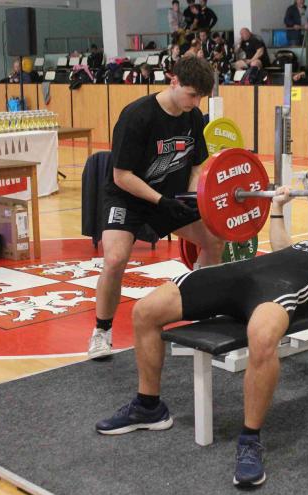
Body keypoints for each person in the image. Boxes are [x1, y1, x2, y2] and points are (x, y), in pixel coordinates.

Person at [95, 182, 308, 488]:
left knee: (262, 338)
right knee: (145, 311)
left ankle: (250, 440)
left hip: (278, 292)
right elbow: (283, 248)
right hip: (241, 274)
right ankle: (149, 407)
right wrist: (277, 207)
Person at [87, 56, 224, 359]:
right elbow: (121, 176)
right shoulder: (137, 115)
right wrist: (161, 201)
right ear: (173, 81)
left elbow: (196, 166)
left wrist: (191, 199)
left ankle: (200, 311)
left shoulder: (192, 115)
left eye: (201, 97)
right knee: (115, 259)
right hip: (127, 196)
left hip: (169, 198)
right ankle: (101, 331)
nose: (196, 102)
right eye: (192, 94)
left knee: (214, 240)